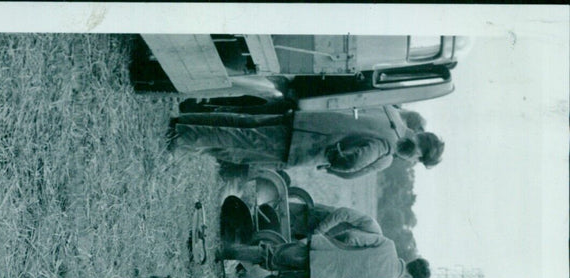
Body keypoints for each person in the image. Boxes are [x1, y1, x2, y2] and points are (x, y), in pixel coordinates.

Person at [219, 205, 430, 278]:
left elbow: (351, 237)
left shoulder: (388, 245)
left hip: (319, 252)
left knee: (270, 255)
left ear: (411, 262)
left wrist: (331, 245)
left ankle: (224, 252)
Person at [169, 103, 444, 177]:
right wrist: (333, 161)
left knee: (243, 123)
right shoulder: (388, 149)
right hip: (304, 145)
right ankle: (181, 136)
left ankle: (186, 122)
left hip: (304, 119)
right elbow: (354, 162)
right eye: (419, 159)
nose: (413, 161)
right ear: (419, 148)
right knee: (242, 140)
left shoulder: (391, 111)